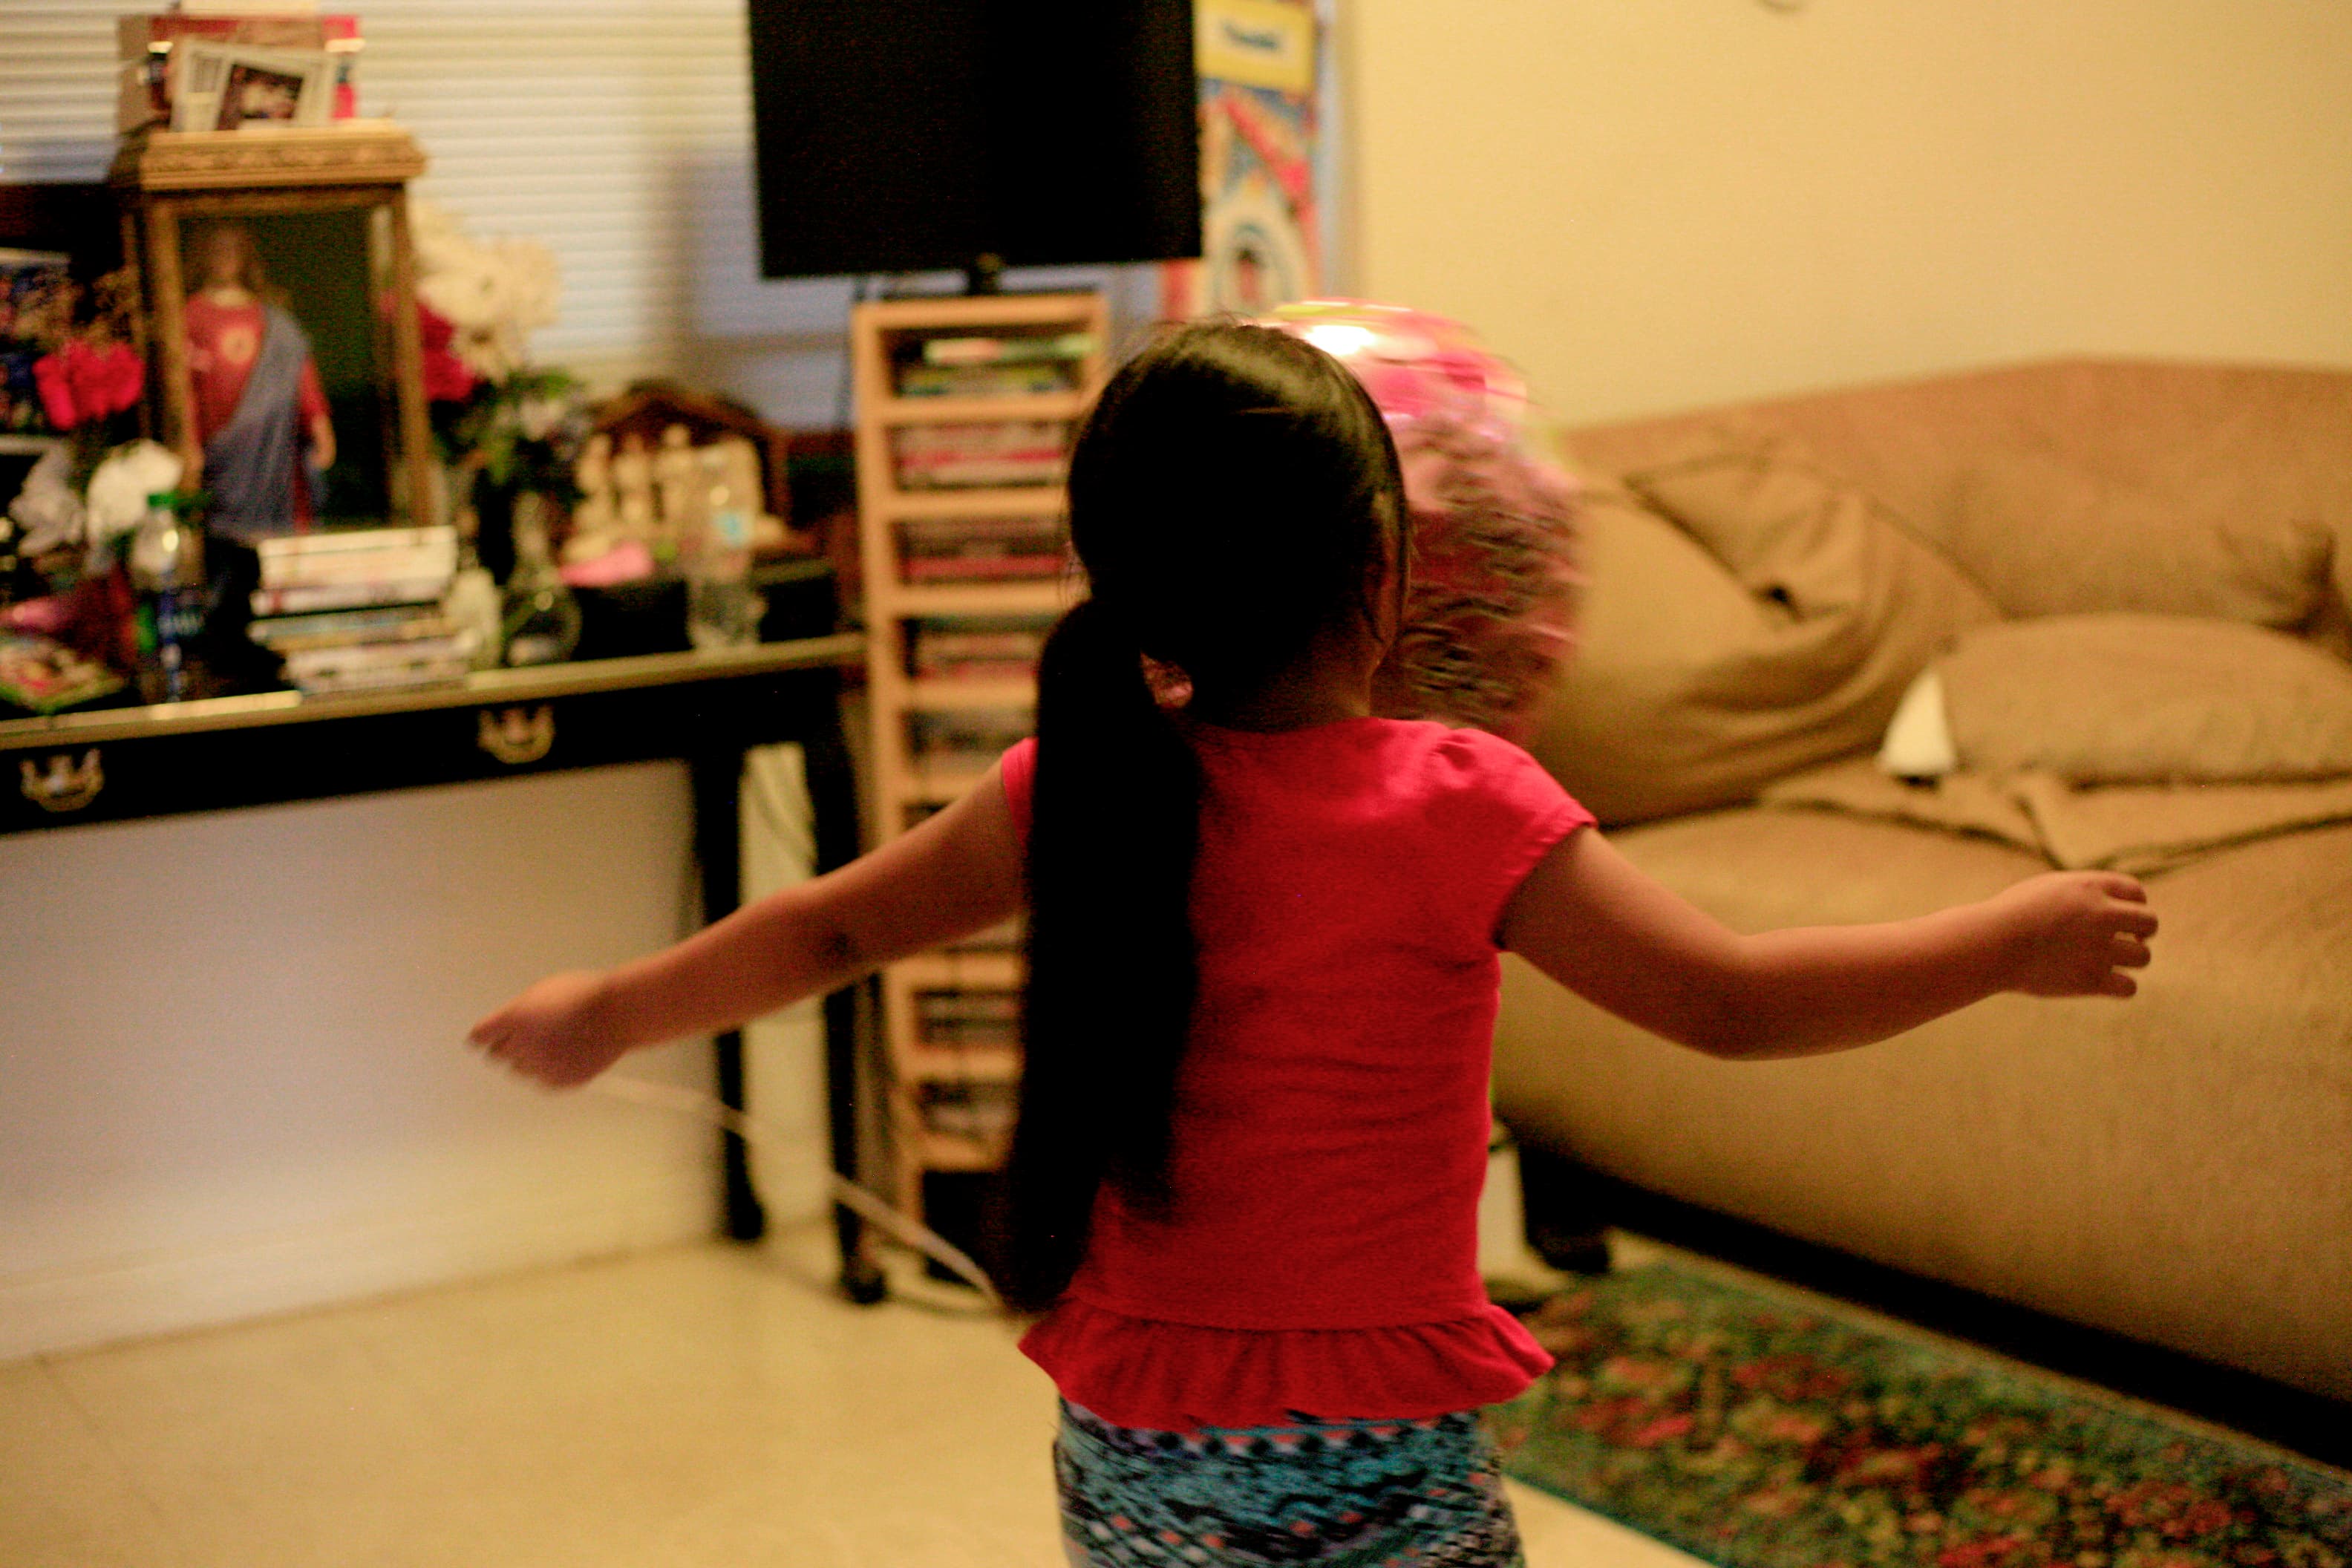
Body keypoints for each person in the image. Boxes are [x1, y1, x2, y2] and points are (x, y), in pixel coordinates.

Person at [469, 321, 2158, 1567]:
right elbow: (1725, 1001)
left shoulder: (1075, 781)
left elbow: (827, 921)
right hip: (1379, 1462)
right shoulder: (1460, 800)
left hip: (1131, 1450)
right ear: (1381, 572)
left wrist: (610, 1007)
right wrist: (2001, 935)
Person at [183, 220, 335, 540]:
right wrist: (189, 442)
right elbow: (184, 387)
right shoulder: (192, 315)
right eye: (217, 250)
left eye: (233, 250)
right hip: (222, 448)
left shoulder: (271, 317)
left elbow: (299, 373)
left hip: (271, 449)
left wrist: (320, 425)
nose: (225, 258)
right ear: (204, 255)